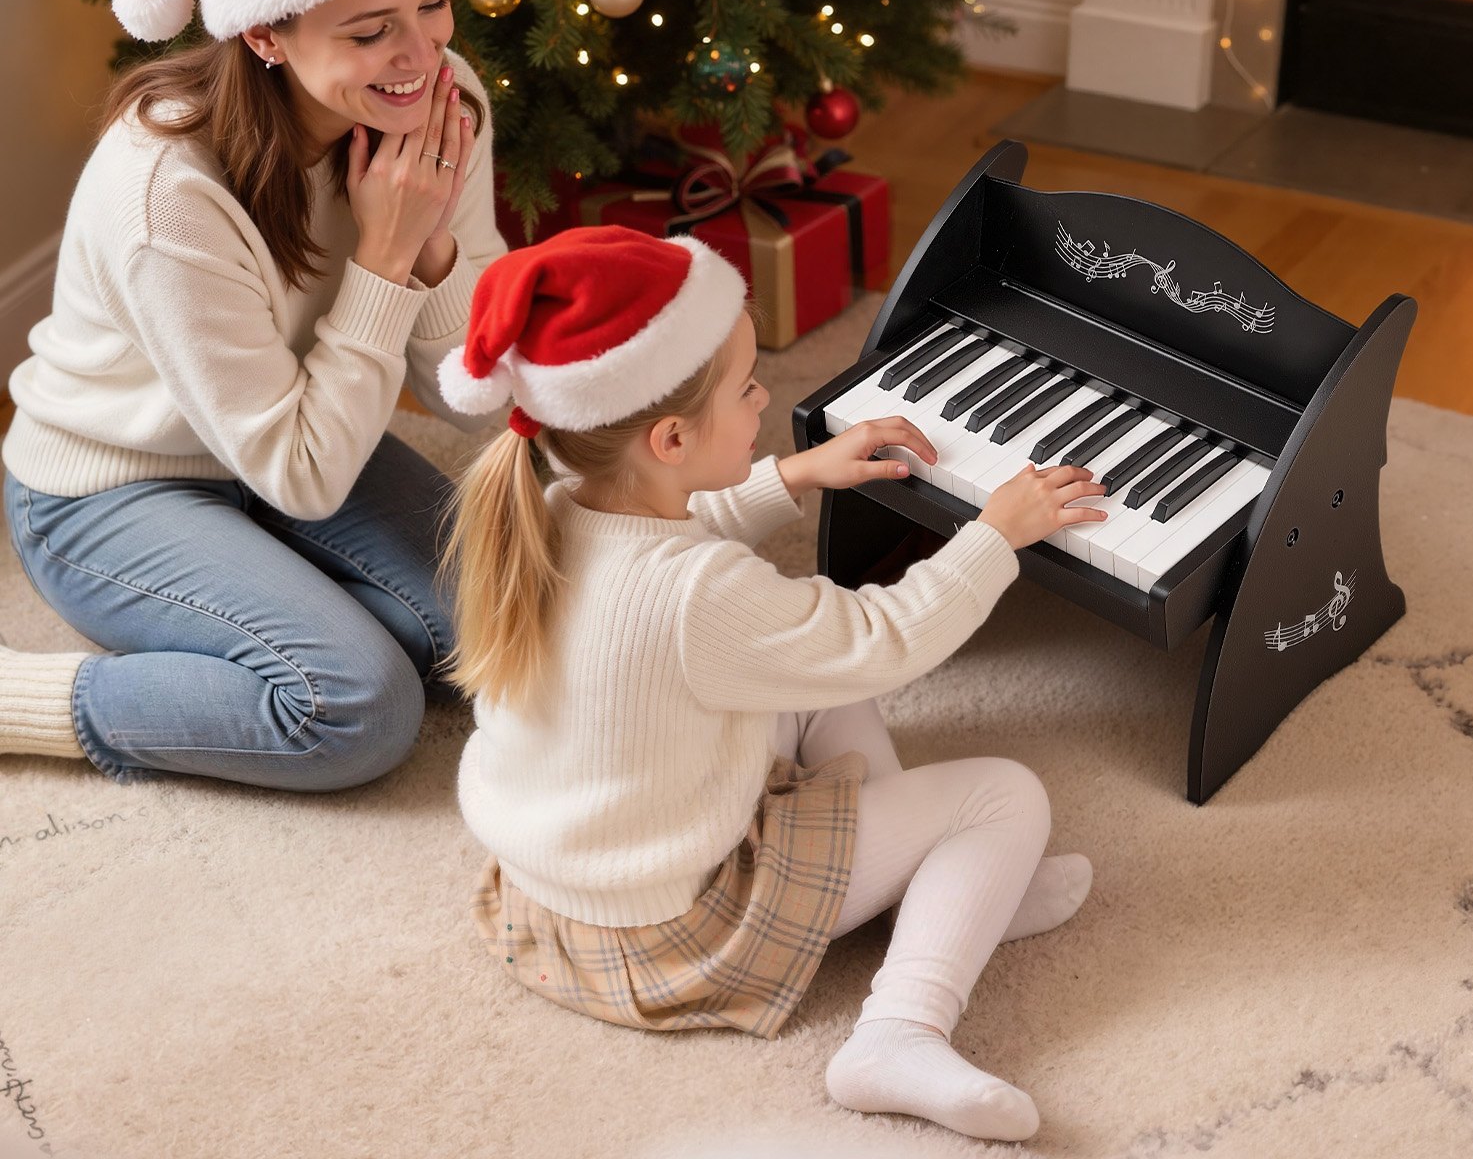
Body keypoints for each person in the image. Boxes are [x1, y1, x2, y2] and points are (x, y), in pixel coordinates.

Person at [437, 226, 1105, 1143]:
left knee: (813, 675)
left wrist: (788, 474)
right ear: (670, 437)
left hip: (563, 890)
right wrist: (995, 535)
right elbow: (887, 636)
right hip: (676, 927)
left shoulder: (549, 509)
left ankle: (926, 889)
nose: (765, 399)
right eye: (748, 389)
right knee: (1002, 795)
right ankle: (898, 1035)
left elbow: (679, 530)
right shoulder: (699, 596)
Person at [0, 0, 505, 790]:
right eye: (369, 30)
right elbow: (303, 476)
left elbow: (473, 393)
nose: (421, 53)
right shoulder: (164, 193)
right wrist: (380, 261)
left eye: (433, 0)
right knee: (357, 706)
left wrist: (435, 247)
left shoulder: (443, 109)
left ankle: (294, 603)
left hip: (295, 430)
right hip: (112, 485)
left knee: (511, 631)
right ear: (266, 34)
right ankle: (20, 698)